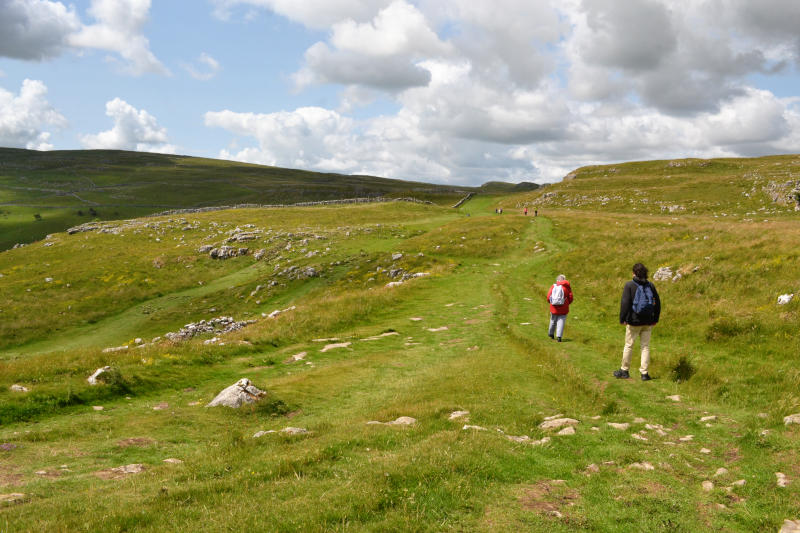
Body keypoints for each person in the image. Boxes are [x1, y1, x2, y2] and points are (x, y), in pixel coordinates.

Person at [614, 263, 661, 381]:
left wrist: (622, 318)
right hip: (648, 322)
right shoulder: (651, 285)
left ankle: (624, 370)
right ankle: (644, 373)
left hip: (634, 321)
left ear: (634, 273)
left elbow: (625, 303)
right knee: (645, 347)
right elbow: (658, 303)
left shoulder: (629, 285)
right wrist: (655, 319)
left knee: (629, 345)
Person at [546, 274, 573, 342]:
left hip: (554, 307)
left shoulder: (553, 286)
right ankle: (559, 337)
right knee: (561, 321)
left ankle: (551, 334)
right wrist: (567, 303)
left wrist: (551, 302)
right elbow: (570, 298)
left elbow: (548, 296)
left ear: (557, 280)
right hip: (564, 307)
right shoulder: (567, 287)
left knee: (553, 320)